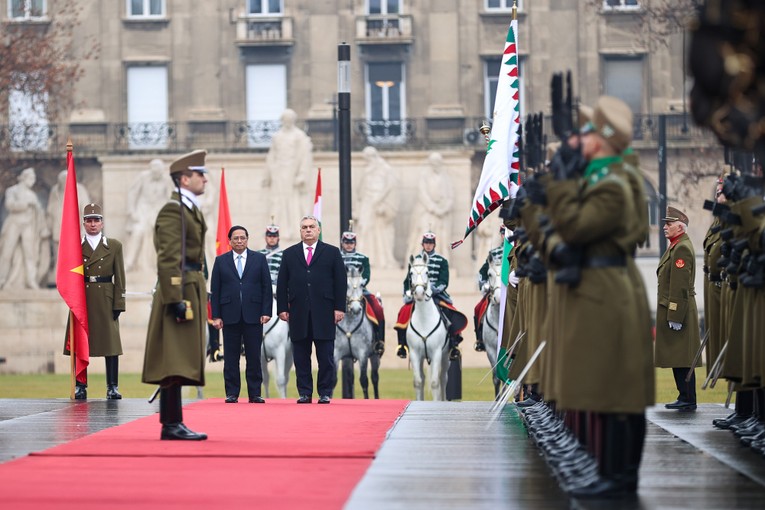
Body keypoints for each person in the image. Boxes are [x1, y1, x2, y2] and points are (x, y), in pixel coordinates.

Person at [142, 149, 209, 441]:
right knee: (174, 360)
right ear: (184, 178)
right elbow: (168, 257)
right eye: (199, 174)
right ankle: (170, 424)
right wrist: (175, 298)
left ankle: (174, 422)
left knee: (180, 359)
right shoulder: (174, 210)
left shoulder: (188, 208)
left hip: (190, 286)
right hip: (179, 290)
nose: (205, 178)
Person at [276, 215, 345, 404]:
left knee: (325, 356)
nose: (308, 230)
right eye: (304, 227)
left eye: (312, 227)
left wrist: (339, 308)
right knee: (301, 356)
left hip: (325, 312)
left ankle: (324, 392)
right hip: (298, 313)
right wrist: (282, 307)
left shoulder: (331, 252)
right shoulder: (290, 254)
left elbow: (340, 282)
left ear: (318, 230)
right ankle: (305, 392)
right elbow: (282, 283)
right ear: (300, 231)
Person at [64, 203, 126, 400]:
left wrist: (119, 303)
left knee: (111, 345)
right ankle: (81, 385)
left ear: (102, 223)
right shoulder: (75, 246)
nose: (93, 224)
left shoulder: (114, 246)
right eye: (89, 220)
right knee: (80, 344)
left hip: (106, 298)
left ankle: (112, 386)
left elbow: (120, 277)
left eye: (96, 220)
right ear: (83, 223)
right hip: (83, 299)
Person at [210, 225, 273, 403]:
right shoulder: (221, 261)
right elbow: (215, 289)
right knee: (231, 357)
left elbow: (266, 287)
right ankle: (232, 393)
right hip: (229, 316)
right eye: (235, 238)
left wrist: (266, 311)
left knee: (254, 356)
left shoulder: (259, 259)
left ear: (247, 239)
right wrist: (216, 315)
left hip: (253, 315)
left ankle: (255, 393)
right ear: (229, 241)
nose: (239, 241)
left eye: (242, 238)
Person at [394, 232, 468, 360]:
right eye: (426, 243)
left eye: (430, 243)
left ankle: (454, 344)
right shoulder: (415, 259)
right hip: (417, 294)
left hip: (436, 294)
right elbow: (408, 280)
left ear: (434, 245)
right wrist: (407, 292)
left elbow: (444, 281)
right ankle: (402, 345)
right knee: (403, 312)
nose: (428, 246)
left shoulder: (442, 260)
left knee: (450, 311)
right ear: (422, 244)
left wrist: (432, 290)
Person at [655, 206, 701, 411]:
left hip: (678, 308)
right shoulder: (676, 245)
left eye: (669, 224)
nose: (665, 227)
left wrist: (675, 313)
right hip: (674, 308)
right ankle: (684, 395)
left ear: (680, 227)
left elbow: (679, 285)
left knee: (682, 355)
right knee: (678, 354)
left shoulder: (681, 248)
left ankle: (688, 397)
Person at [264, 109, 313, 240]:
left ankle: (295, 231)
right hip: (279, 173)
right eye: (285, 119)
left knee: (293, 202)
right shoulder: (277, 136)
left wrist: (302, 174)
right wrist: (268, 176)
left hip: (293, 172)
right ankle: (281, 231)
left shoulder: (299, 136)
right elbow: (271, 156)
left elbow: (305, 156)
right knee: (278, 202)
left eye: (290, 119)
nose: (287, 122)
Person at [0, 167, 50, 290]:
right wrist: (25, 204)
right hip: (14, 223)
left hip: (28, 226)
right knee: (7, 252)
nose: (32, 181)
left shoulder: (32, 195)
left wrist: (43, 226)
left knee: (30, 253)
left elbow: (39, 212)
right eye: (31, 178)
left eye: (33, 179)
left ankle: (31, 280)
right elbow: (10, 205)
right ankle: (2, 278)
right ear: (24, 178)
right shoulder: (12, 190)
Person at [340, 229, 386, 355]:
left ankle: (379, 340)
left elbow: (366, 276)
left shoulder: (363, 258)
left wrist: (357, 287)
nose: (349, 245)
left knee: (378, 309)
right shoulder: (336, 256)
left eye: (351, 242)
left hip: (360, 292)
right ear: (342, 243)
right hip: (340, 293)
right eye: (346, 242)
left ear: (355, 243)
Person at [123, 159, 173, 272]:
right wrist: (132, 211)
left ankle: (163, 264)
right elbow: (133, 193)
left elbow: (171, 197)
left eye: (159, 172)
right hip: (143, 209)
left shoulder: (167, 180)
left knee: (163, 233)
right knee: (138, 231)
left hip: (159, 211)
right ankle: (128, 262)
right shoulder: (143, 177)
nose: (157, 175)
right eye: (155, 172)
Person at [357, 146, 399, 269]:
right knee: (364, 230)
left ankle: (383, 261)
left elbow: (391, 187)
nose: (367, 161)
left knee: (381, 233)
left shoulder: (386, 169)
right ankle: (366, 260)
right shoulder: (367, 170)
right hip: (367, 203)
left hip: (379, 204)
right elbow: (361, 190)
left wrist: (382, 202)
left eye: (368, 158)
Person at [46, 169, 91, 284]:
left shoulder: (80, 190)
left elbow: (86, 209)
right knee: (59, 254)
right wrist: (49, 225)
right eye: (62, 181)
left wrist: (84, 228)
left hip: (74, 228)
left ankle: (75, 278)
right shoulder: (55, 191)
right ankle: (60, 278)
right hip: (59, 227)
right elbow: (50, 209)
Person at [407, 152, 454, 254]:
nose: (435, 165)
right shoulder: (424, 175)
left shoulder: (445, 177)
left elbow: (450, 196)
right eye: (433, 162)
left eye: (437, 162)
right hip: (426, 212)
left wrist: (444, 208)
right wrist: (433, 208)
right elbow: (422, 194)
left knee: (441, 238)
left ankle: (440, 261)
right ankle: (419, 259)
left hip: (442, 213)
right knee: (424, 234)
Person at [473, 225, 505, 352]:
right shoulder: (494, 253)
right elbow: (482, 272)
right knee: (478, 309)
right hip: (495, 290)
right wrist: (484, 284)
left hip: (513, 291)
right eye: (503, 233)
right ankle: (480, 340)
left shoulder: (517, 250)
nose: (505, 235)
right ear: (501, 235)